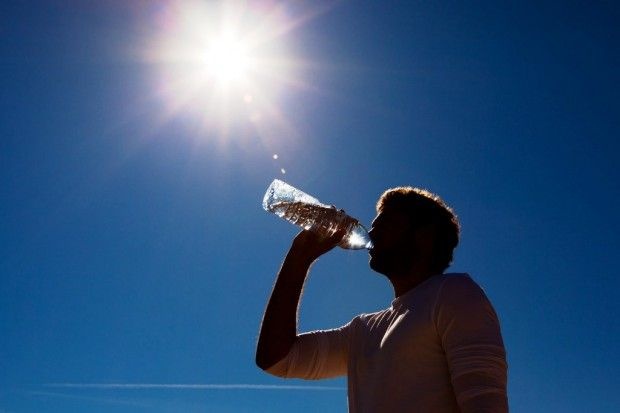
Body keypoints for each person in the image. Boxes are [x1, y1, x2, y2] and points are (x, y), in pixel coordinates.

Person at [256, 186, 508, 412]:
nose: (371, 232)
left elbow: (485, 404)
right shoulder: (362, 331)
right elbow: (277, 359)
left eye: (385, 223)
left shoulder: (455, 293)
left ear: (424, 236)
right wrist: (299, 256)